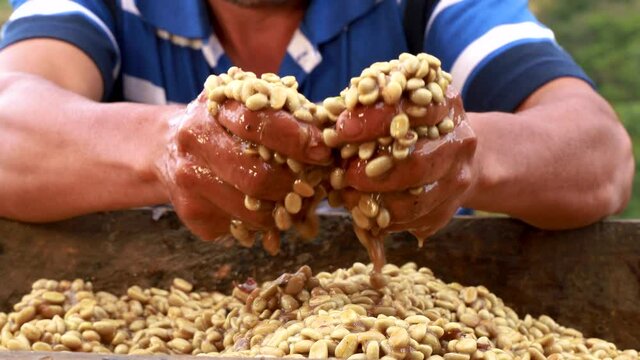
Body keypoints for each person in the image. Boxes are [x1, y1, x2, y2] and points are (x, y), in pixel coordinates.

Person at [0, 0, 633, 242]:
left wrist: (468, 157)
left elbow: (600, 153)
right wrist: (165, 145)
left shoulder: (431, 5)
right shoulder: (103, 5)